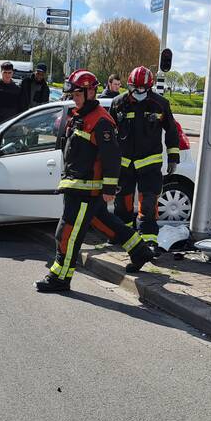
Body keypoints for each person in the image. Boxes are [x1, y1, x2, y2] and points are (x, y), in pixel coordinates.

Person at [35, 69, 158, 293]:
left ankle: (60, 278)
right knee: (104, 223)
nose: (74, 98)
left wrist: (109, 187)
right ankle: (139, 251)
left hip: (85, 191)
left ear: (90, 92)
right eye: (73, 94)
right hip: (77, 186)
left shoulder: (101, 121)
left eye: (78, 94)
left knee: (67, 233)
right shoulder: (80, 115)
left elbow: (112, 157)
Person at [109, 66, 180, 246]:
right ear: (129, 85)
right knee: (122, 204)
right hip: (124, 165)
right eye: (135, 88)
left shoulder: (160, 104)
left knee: (148, 204)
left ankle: (148, 241)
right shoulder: (118, 103)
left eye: (143, 88)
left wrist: (173, 157)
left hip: (150, 165)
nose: (139, 92)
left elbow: (172, 131)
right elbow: (108, 133)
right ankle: (123, 238)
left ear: (149, 87)